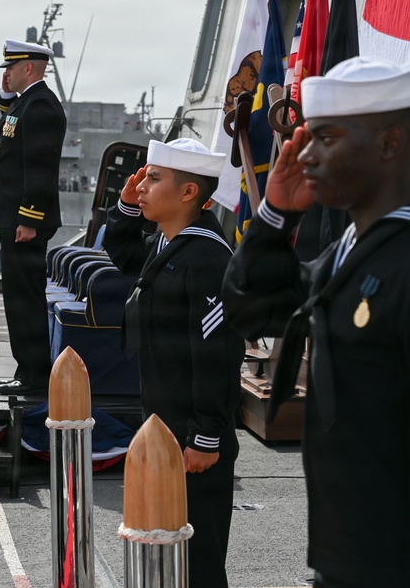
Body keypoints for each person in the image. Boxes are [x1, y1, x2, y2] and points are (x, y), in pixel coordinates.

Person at [223, 56, 410, 587]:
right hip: (348, 553)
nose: (303, 154)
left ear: (390, 143)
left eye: (325, 138)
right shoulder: (346, 256)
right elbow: (252, 308)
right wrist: (276, 214)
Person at [102, 138, 243, 588]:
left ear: (188, 193)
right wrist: (123, 209)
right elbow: (123, 256)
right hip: (165, 425)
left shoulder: (206, 257)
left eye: (154, 178)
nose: (141, 186)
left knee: (195, 562)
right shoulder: (171, 245)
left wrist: (206, 435)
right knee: (164, 551)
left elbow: (218, 353)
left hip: (192, 436)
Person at [0, 40, 66, 395]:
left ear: (29, 69)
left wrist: (29, 218)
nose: (6, 74)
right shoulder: (28, 103)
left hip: (24, 219)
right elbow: (10, 135)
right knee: (18, 297)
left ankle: (34, 376)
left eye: (11, 68)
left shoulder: (40, 108)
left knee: (25, 299)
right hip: (14, 215)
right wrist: (6, 100)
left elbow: (40, 168)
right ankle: (28, 370)